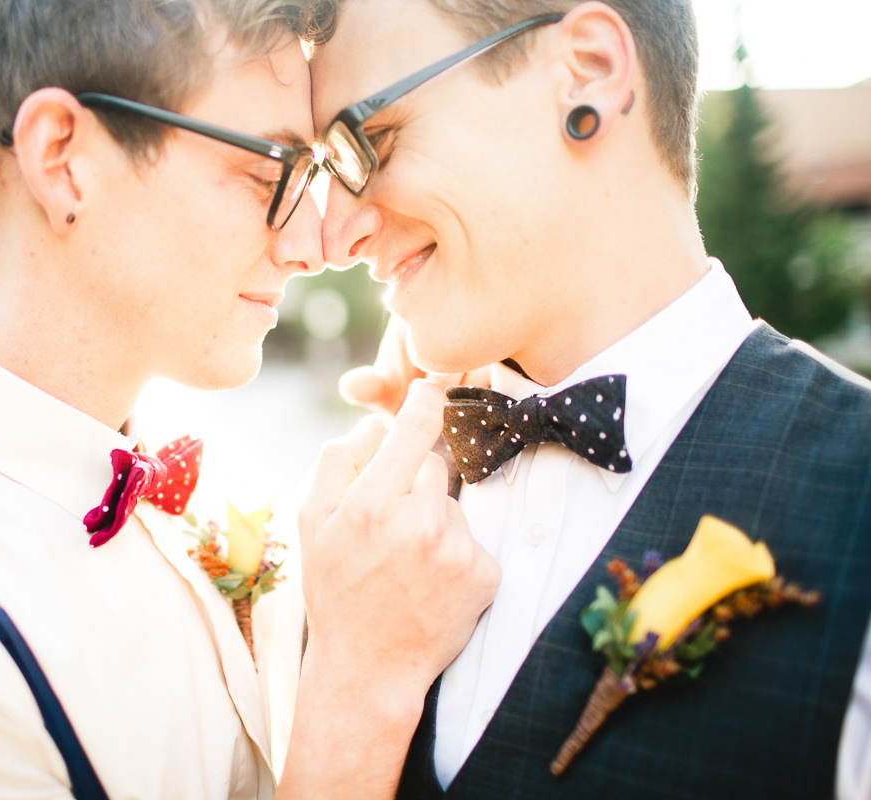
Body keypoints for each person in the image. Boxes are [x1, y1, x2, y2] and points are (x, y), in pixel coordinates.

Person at [0, 1, 500, 798]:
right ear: (63, 159)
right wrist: (359, 689)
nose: (313, 241)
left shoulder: (158, 452)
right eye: (269, 172)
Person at [302, 0, 871, 797]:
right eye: (326, 168)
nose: (333, 236)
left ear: (590, 73)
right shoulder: (374, 524)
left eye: (370, 141)